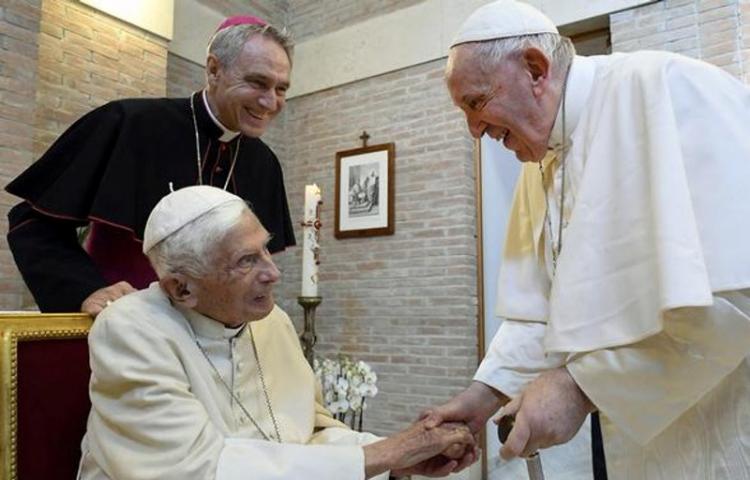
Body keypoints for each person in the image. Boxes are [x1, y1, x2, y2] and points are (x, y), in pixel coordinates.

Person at [424, 1, 750, 479]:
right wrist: (481, 396)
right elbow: (539, 313)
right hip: (624, 442)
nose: (474, 130)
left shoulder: (668, 88)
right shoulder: (541, 159)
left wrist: (582, 389)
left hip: (720, 430)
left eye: (476, 103)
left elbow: (737, 296)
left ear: (535, 68)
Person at [78, 185, 476, 480]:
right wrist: (384, 455)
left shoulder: (272, 321)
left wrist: (395, 461)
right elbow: (198, 471)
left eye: (265, 250)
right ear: (182, 288)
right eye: (246, 260)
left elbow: (310, 431)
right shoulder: (131, 330)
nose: (273, 272)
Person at [5, 15, 295, 317]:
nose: (269, 102)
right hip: (127, 332)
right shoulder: (129, 124)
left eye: (281, 89)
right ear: (214, 70)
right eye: (257, 82)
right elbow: (32, 223)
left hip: (217, 345)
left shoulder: (266, 165)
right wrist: (86, 290)